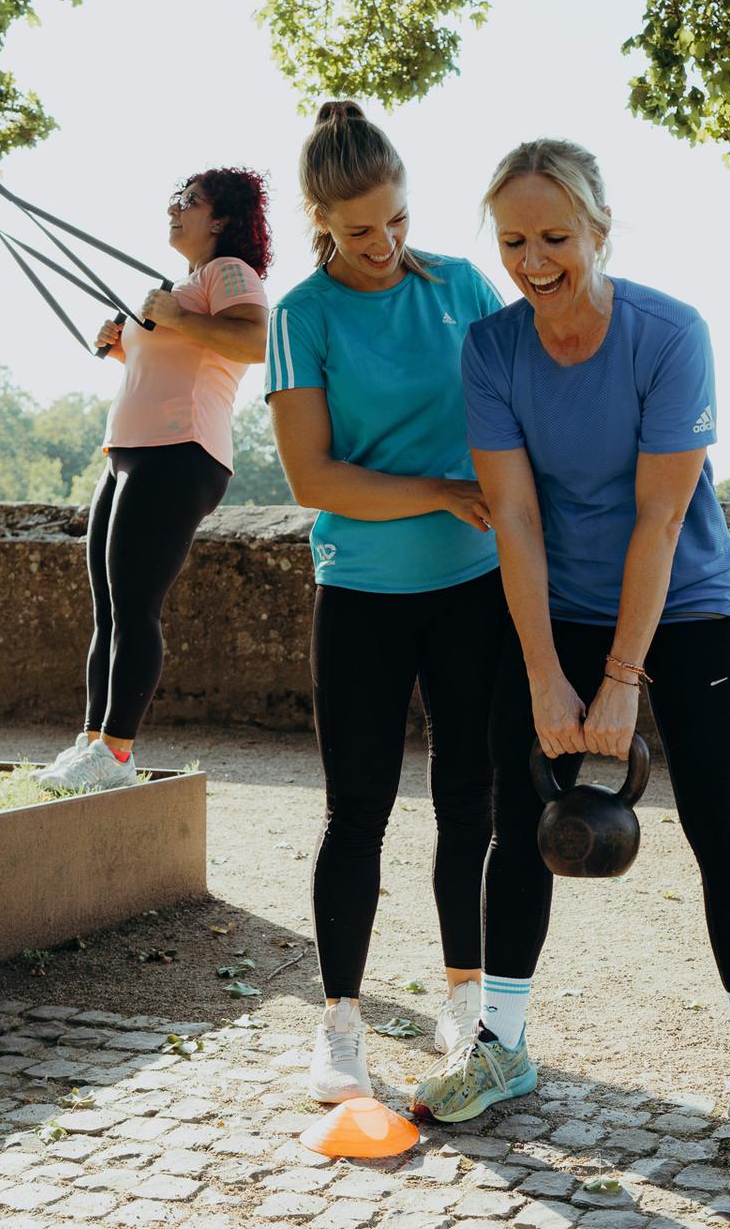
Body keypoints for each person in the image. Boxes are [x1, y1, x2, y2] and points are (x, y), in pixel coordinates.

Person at [409, 138, 730, 1162]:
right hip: (560, 605)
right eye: (513, 240)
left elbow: (660, 515)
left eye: (555, 236)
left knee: (725, 830)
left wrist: (623, 678)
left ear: (599, 230)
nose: (534, 258)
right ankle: (502, 1045)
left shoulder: (670, 333)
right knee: (519, 820)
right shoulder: (493, 348)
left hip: (691, 607)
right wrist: (545, 670)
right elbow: (514, 514)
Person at [265, 102, 509, 1102]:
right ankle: (341, 1023)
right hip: (361, 593)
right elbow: (313, 477)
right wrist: (442, 490)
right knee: (356, 808)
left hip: (474, 590)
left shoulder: (461, 287)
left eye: (397, 219)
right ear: (322, 220)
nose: (383, 245)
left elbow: (522, 416)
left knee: (470, 804)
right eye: (359, 230)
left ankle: (468, 1006)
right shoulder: (301, 316)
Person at [34, 170, 271, 793]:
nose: (175, 208)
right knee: (109, 610)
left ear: (219, 219)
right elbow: (175, 358)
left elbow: (252, 341)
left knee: (137, 607)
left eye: (189, 202)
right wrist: (120, 344)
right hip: (129, 453)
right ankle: (91, 743)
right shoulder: (185, 287)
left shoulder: (229, 273)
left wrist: (166, 315)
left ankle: (116, 753)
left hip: (180, 451)